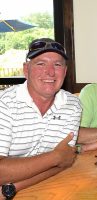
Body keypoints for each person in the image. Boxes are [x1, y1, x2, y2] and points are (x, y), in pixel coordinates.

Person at [0, 38, 82, 198]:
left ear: (65, 72)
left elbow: (65, 163)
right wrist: (55, 156)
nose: (50, 72)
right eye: (41, 64)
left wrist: (12, 186)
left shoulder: (73, 105)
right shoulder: (4, 104)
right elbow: (60, 159)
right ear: (26, 69)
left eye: (57, 65)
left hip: (47, 190)